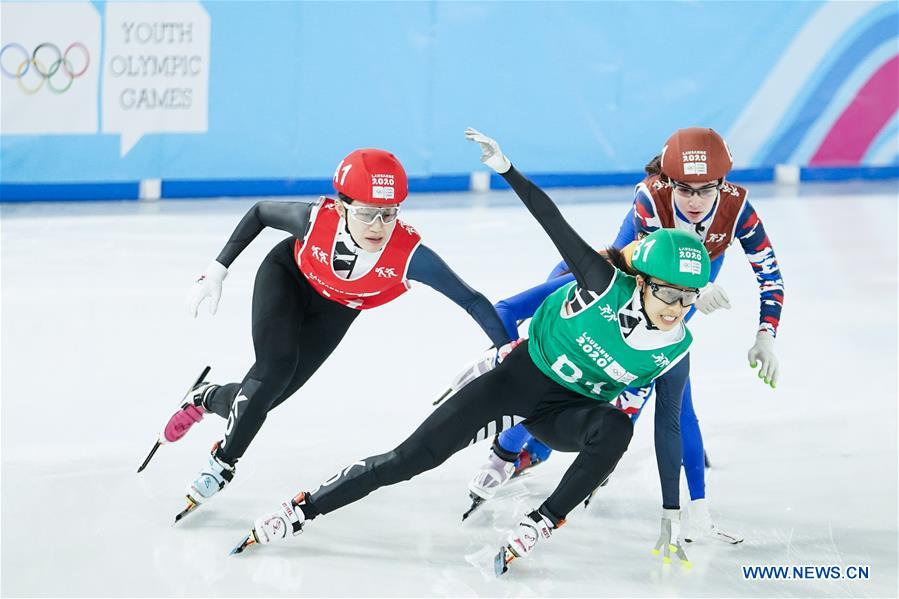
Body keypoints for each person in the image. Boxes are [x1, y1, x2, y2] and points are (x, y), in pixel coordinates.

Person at [232, 129, 711, 573]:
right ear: (642, 282)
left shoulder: (676, 346)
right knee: (408, 460)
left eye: (689, 299)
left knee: (615, 428)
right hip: (516, 380)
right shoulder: (602, 281)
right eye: (669, 294)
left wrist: (673, 510)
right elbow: (550, 218)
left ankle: (539, 522)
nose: (677, 309)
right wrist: (506, 168)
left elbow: (667, 424)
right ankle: (300, 509)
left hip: (567, 412)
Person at [466, 127, 785, 544]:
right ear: (667, 182)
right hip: (624, 279)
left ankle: (681, 501)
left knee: (660, 390)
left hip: (673, 294)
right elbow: (646, 263)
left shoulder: (738, 206)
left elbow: (770, 273)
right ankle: (509, 448)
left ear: (723, 185)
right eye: (684, 190)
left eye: (706, 190)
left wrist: (766, 334)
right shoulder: (650, 196)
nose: (694, 201)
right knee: (562, 351)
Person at [160, 148, 512, 518]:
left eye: (388, 213)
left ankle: (204, 396)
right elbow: (261, 211)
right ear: (342, 207)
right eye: (366, 213)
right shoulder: (315, 220)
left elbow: (471, 300)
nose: (378, 225)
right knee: (273, 370)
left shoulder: (410, 255)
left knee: (265, 399)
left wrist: (508, 350)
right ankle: (221, 465)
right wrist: (216, 270)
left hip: (338, 309)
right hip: (288, 277)